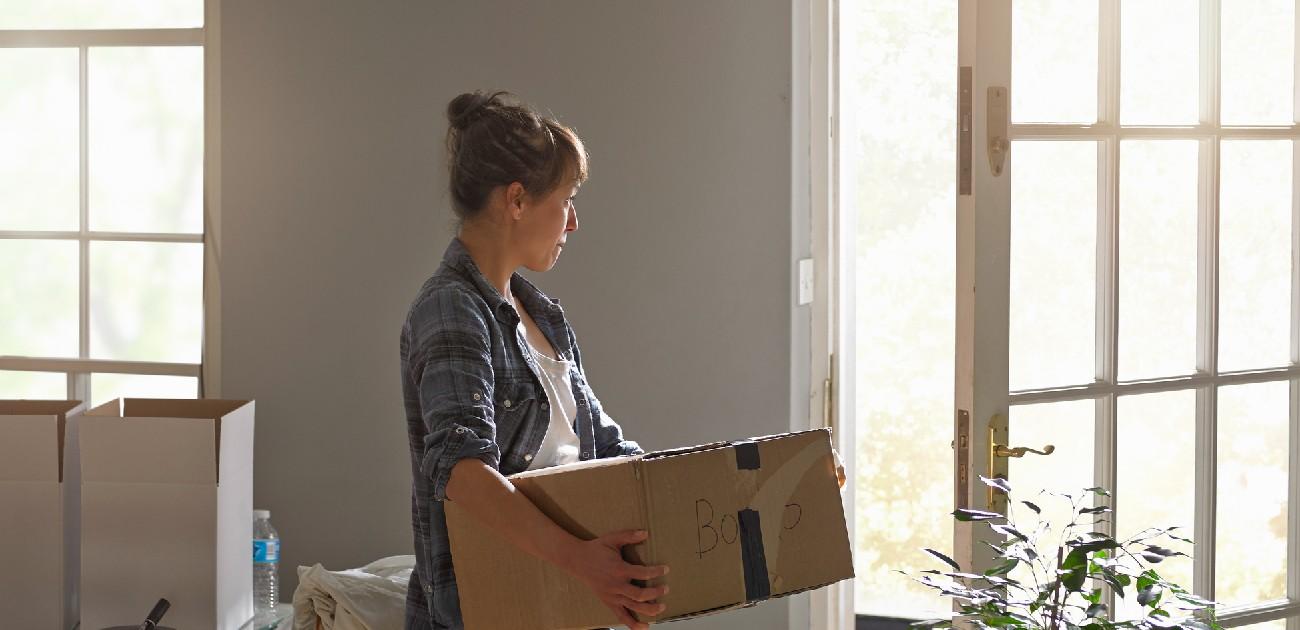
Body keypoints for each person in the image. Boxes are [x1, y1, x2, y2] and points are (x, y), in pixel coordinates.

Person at [401, 91, 669, 630]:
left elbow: (611, 453)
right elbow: (463, 472)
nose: (573, 222)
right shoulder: (450, 308)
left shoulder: (544, 319)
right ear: (517, 200)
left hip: (562, 609)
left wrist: (740, 485)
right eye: (566, 198)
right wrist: (583, 561)